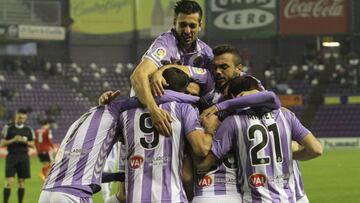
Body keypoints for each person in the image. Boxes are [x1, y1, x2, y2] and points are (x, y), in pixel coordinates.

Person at [38, 68, 202, 203]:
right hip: (73, 194)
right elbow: (156, 97)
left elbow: (87, 171)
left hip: (47, 191)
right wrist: (196, 100)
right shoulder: (121, 110)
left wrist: (117, 175)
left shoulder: (89, 116)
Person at [198, 76, 323, 203]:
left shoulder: (232, 122)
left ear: (234, 97)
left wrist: (208, 132)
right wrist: (290, 155)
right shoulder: (285, 115)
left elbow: (204, 164)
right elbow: (316, 149)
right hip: (288, 198)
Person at [100, 0, 213, 137]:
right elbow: (138, 76)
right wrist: (153, 110)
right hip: (150, 113)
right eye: (182, 25)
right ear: (174, 22)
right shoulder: (165, 44)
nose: (187, 31)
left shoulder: (206, 53)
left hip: (183, 116)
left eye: (192, 26)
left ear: (200, 25)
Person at [111, 68, 215, 203]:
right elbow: (201, 149)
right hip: (171, 197)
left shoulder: (126, 114)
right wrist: (212, 129)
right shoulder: (184, 108)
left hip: (136, 197)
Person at [1, 108, 35, 203]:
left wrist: (25, 141)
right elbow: (2, 143)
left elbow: (32, 144)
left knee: (21, 182)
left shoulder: (28, 129)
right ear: (16, 116)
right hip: (12, 156)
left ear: (26, 118)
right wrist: (14, 140)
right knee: (9, 181)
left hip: (24, 157)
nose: (21, 119)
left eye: (23, 118)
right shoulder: (8, 127)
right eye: (20, 117)